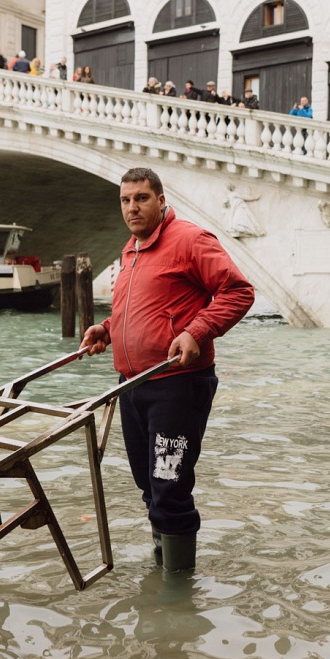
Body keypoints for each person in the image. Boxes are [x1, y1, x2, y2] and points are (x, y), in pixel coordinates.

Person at [80, 167, 254, 572]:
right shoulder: (131, 250)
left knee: (170, 482)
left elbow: (238, 291)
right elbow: (145, 310)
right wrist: (106, 329)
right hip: (133, 385)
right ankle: (162, 567)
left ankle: (178, 593)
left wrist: (197, 332)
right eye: (125, 200)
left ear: (161, 200)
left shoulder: (191, 240)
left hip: (177, 384)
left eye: (141, 198)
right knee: (148, 480)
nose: (132, 207)